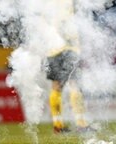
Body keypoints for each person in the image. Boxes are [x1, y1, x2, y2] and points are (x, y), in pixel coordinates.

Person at [44, 0, 89, 133]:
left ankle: (58, 124)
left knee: (56, 86)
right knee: (74, 84)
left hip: (52, 48)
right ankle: (81, 124)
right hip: (69, 47)